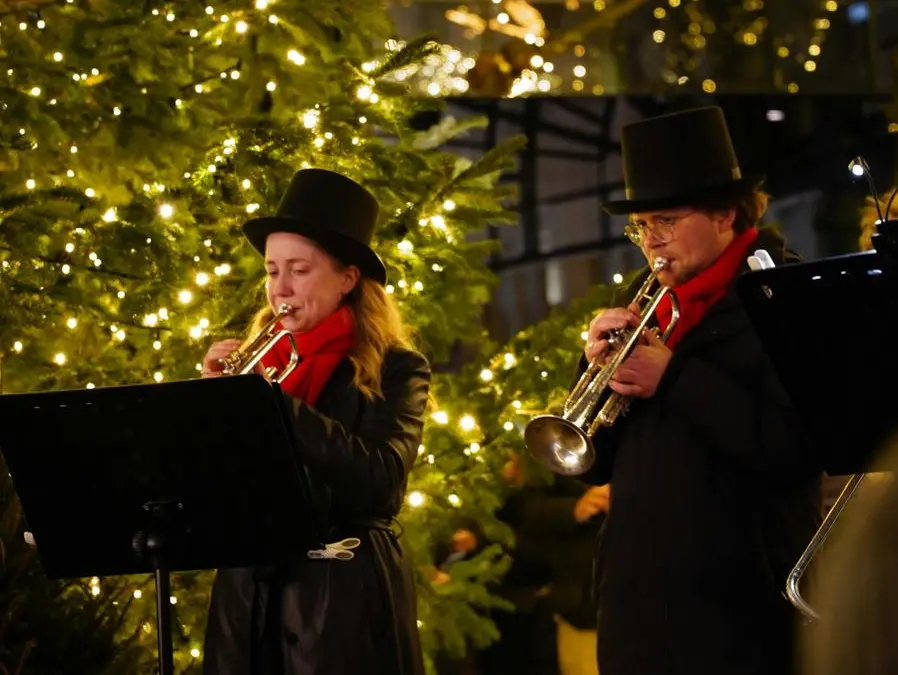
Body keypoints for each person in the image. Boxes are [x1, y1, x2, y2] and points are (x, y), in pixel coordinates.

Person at [577, 106, 823, 675]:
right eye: (640, 227)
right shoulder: (648, 298)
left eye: (664, 220)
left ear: (724, 212)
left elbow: (793, 450)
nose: (650, 243)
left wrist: (674, 378)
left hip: (741, 616)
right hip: (638, 611)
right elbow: (592, 465)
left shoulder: (785, 296)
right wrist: (592, 367)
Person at [199, 168, 431, 675]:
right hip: (247, 607)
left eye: (299, 270)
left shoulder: (397, 367)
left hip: (340, 603)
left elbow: (381, 482)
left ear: (347, 278)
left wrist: (273, 404)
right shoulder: (261, 361)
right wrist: (213, 410)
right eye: (271, 270)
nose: (279, 288)